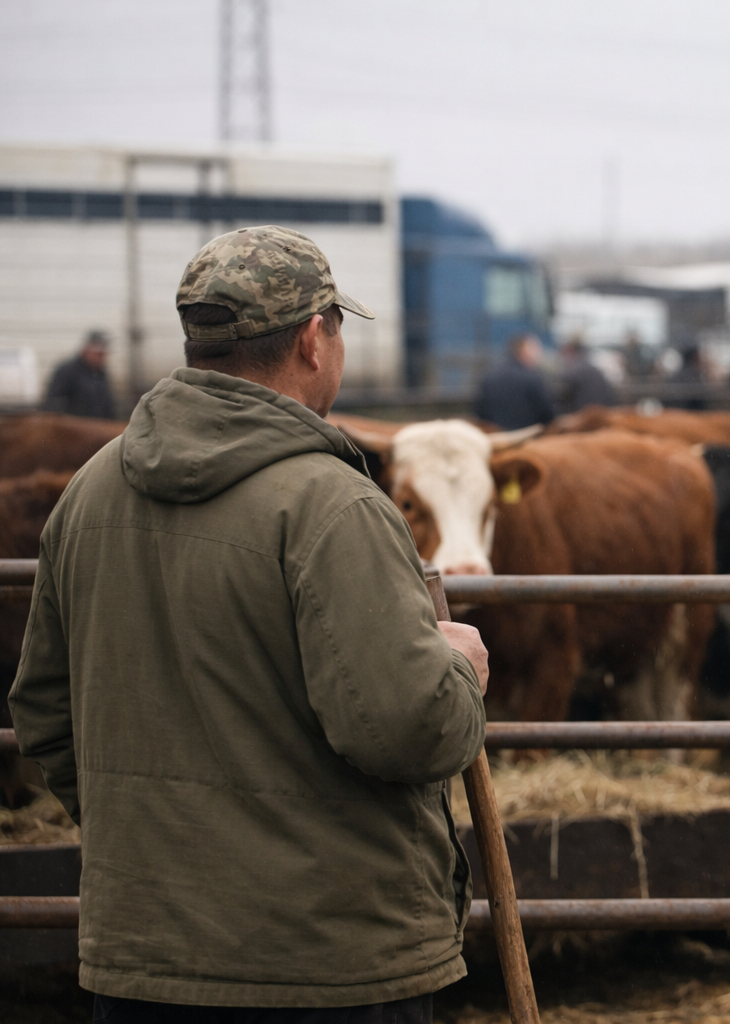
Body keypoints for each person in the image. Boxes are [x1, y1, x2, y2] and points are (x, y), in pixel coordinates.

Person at [9, 225, 491, 1021]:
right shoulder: (332, 507)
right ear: (313, 339)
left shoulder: (90, 493)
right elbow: (407, 730)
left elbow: (41, 711)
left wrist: (150, 838)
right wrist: (455, 675)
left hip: (144, 962)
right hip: (328, 966)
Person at [475, 332, 555, 428]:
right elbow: (548, 415)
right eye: (535, 348)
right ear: (524, 350)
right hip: (529, 438)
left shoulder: (488, 376)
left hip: (496, 438)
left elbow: (481, 413)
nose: (539, 353)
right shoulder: (533, 378)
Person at [42, 329, 115, 419]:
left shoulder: (100, 374)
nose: (101, 358)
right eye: (98, 354)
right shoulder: (67, 371)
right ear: (87, 349)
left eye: (103, 355)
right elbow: (53, 404)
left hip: (97, 428)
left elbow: (106, 404)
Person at [557, 335, 618, 413]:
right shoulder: (594, 368)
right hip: (603, 415)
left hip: (584, 418)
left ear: (570, 349)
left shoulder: (572, 371)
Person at [665, 344, 708, 410]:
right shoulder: (692, 374)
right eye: (697, 356)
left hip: (683, 409)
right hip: (687, 409)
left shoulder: (680, 373)